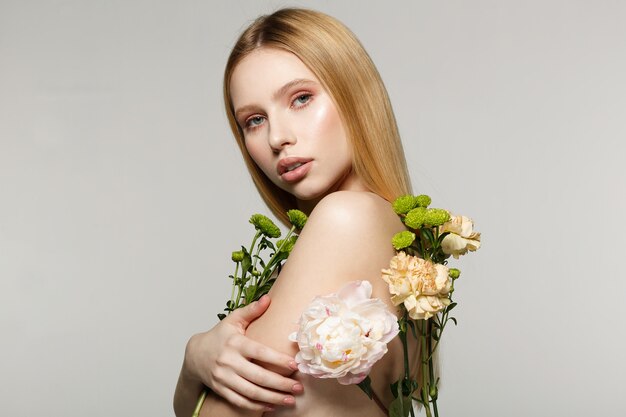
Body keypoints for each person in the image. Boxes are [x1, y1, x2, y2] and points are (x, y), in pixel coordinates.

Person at [174, 8, 419, 417]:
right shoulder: (396, 234)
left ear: (355, 93)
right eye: (253, 120)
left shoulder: (345, 219)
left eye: (301, 98)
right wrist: (195, 362)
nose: (277, 137)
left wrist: (193, 363)